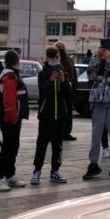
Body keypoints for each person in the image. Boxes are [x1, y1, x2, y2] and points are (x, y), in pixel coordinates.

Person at [84, 38, 110, 181]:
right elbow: (91, 75)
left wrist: (109, 59)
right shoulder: (96, 58)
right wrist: (97, 58)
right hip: (97, 100)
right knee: (95, 135)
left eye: (105, 48)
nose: (103, 50)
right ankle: (93, 164)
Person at [0, 51, 29, 191]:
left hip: (12, 117)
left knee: (13, 146)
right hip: (10, 118)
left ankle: (10, 175)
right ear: (16, 61)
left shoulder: (10, 75)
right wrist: (12, 117)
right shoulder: (10, 76)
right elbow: (9, 100)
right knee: (8, 147)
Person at [31, 47, 71, 185]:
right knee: (41, 143)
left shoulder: (63, 72)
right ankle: (37, 170)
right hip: (46, 114)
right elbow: (43, 92)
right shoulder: (43, 73)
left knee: (57, 144)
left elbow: (68, 94)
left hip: (60, 114)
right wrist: (50, 80)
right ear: (49, 58)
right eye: (54, 57)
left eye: (58, 57)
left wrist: (64, 81)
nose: (56, 60)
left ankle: (55, 170)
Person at [55, 41, 78, 141]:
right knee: (60, 113)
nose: (61, 48)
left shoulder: (69, 59)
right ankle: (57, 133)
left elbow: (73, 73)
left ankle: (67, 133)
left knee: (68, 113)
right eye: (58, 46)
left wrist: (74, 86)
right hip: (59, 90)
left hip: (70, 90)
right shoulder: (55, 60)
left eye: (62, 46)